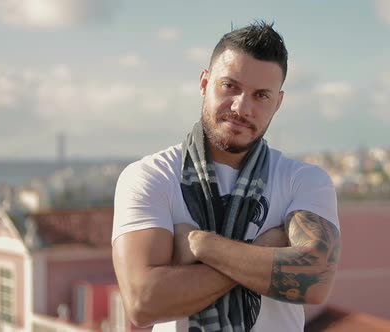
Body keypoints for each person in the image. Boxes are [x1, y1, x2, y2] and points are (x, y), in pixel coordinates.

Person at [111, 21, 341, 332]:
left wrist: (199, 245)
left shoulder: (304, 181)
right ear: (204, 83)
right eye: (230, 86)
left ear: (278, 103)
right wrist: (264, 250)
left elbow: (315, 281)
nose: (242, 107)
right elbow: (143, 302)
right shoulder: (150, 177)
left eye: (261, 95)